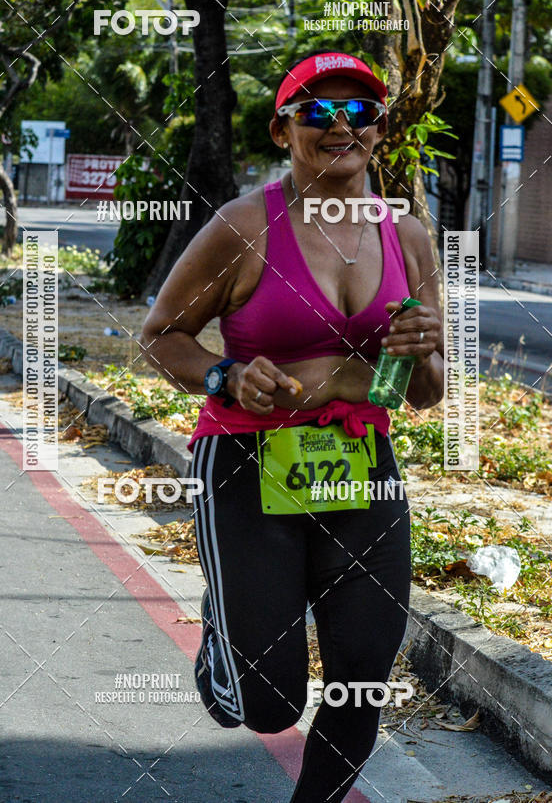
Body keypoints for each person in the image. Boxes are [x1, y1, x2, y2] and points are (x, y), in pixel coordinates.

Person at [140, 50, 444, 803]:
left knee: (362, 677)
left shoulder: (408, 234)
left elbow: (425, 393)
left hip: (362, 465)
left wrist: (420, 352)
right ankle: (227, 632)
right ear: (283, 131)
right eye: (318, 112)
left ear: (379, 129)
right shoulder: (243, 226)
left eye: (359, 112)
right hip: (247, 462)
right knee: (268, 703)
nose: (341, 126)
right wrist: (227, 376)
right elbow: (161, 335)